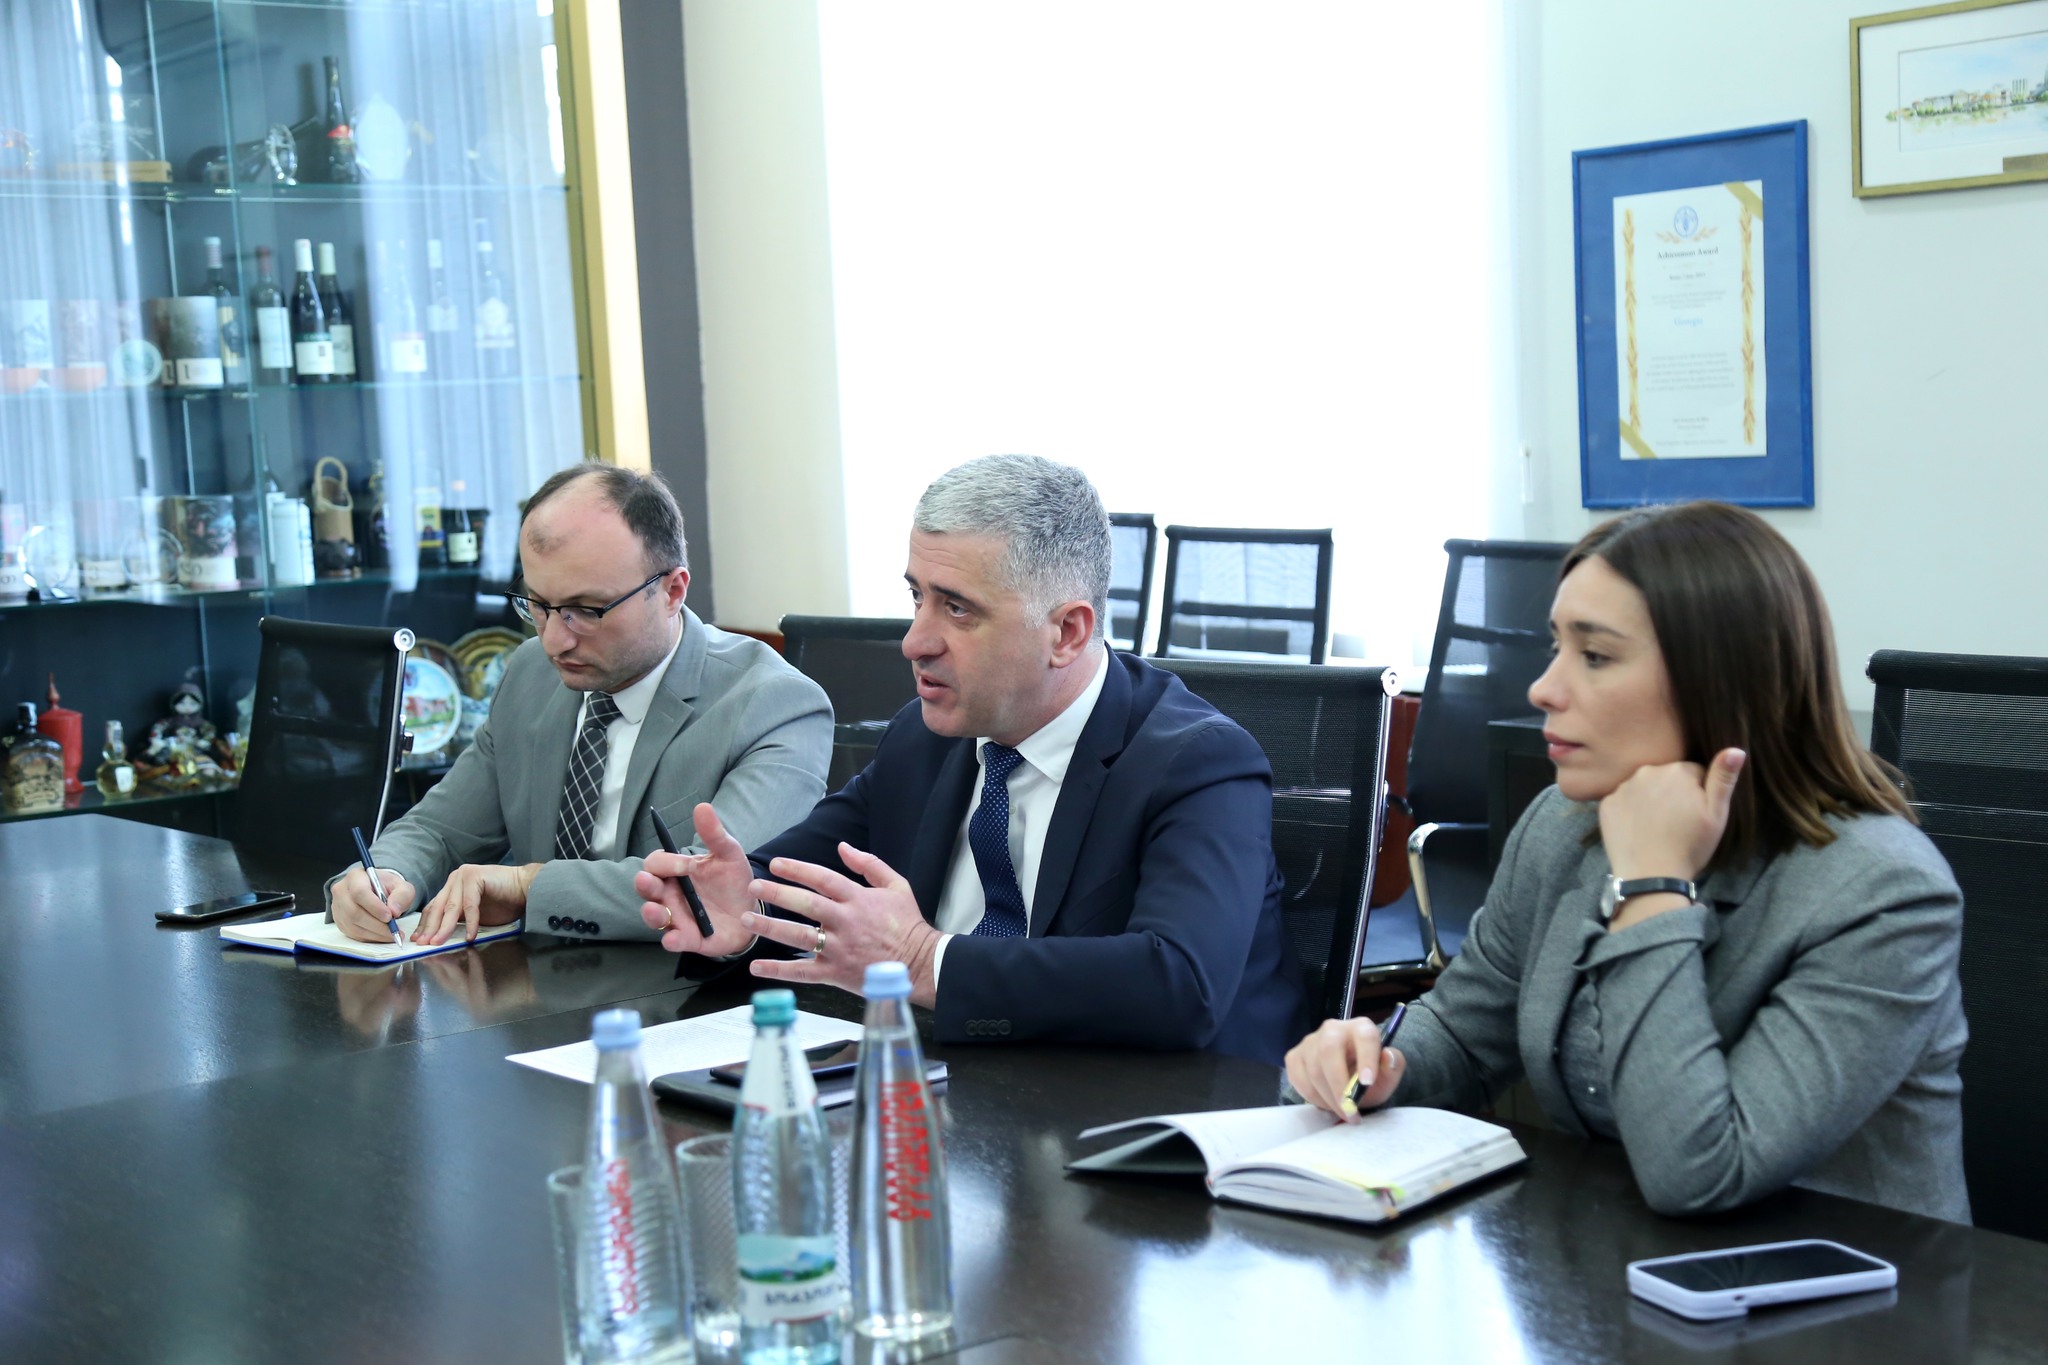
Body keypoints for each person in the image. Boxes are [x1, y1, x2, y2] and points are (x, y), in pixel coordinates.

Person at [1285, 501, 1968, 1221]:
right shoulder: (1564, 826)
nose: (1543, 688)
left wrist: (1652, 887)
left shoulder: (1882, 892)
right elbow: (1463, 1033)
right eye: (1556, 647)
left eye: (1596, 655)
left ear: (1720, 681)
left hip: (1840, 1285)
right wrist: (1374, 1064)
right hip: (1615, 1263)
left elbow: (1702, 1170)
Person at [635, 454, 1309, 1063]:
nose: (914, 641)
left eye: (958, 609)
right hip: (964, 1093)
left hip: (1163, 1120)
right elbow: (797, 879)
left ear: (1067, 632)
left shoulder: (1199, 762)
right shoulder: (924, 738)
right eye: (917, 596)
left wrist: (925, 960)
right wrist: (738, 913)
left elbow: (1180, 984)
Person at [328, 463, 833, 945]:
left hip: (689, 992)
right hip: (532, 985)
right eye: (538, 605)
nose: (554, 641)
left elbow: (713, 892)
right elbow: (440, 830)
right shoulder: (530, 672)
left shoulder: (774, 705)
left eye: (586, 610)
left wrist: (528, 885)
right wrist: (385, 875)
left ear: (672, 591)